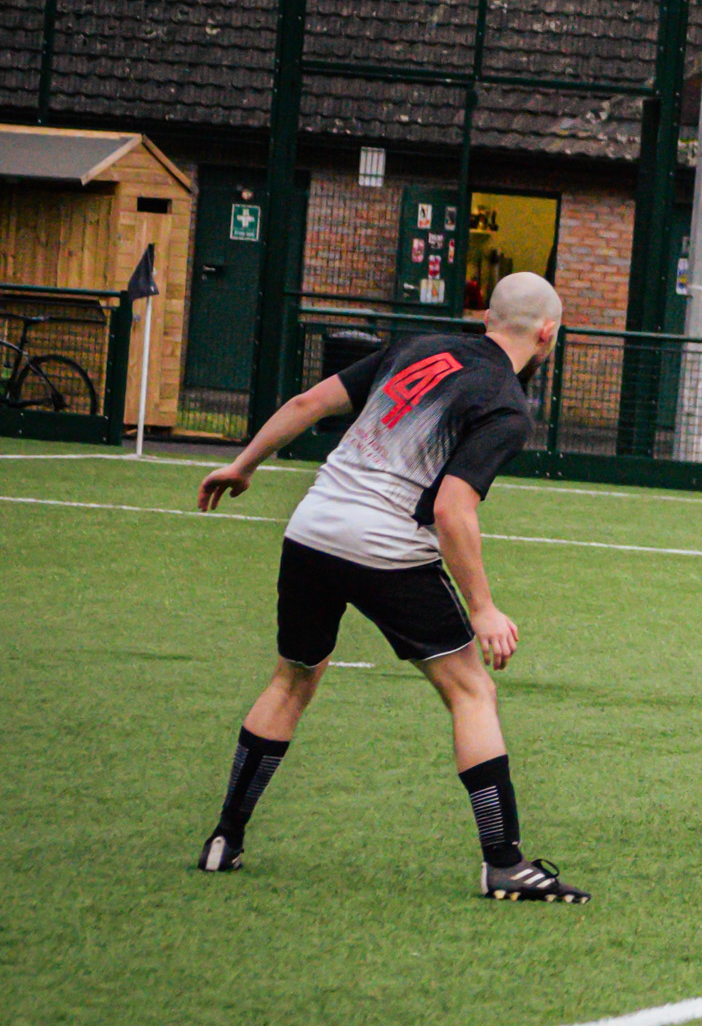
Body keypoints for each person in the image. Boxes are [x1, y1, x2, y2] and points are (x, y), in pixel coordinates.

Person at [193, 272, 586, 902]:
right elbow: (453, 508)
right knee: (471, 691)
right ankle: (504, 863)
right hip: (387, 547)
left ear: (488, 318)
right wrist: (483, 608)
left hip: (312, 529)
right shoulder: (506, 403)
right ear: (547, 334)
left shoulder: (415, 346)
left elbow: (307, 404)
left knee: (292, 681)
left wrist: (243, 465)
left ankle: (225, 838)